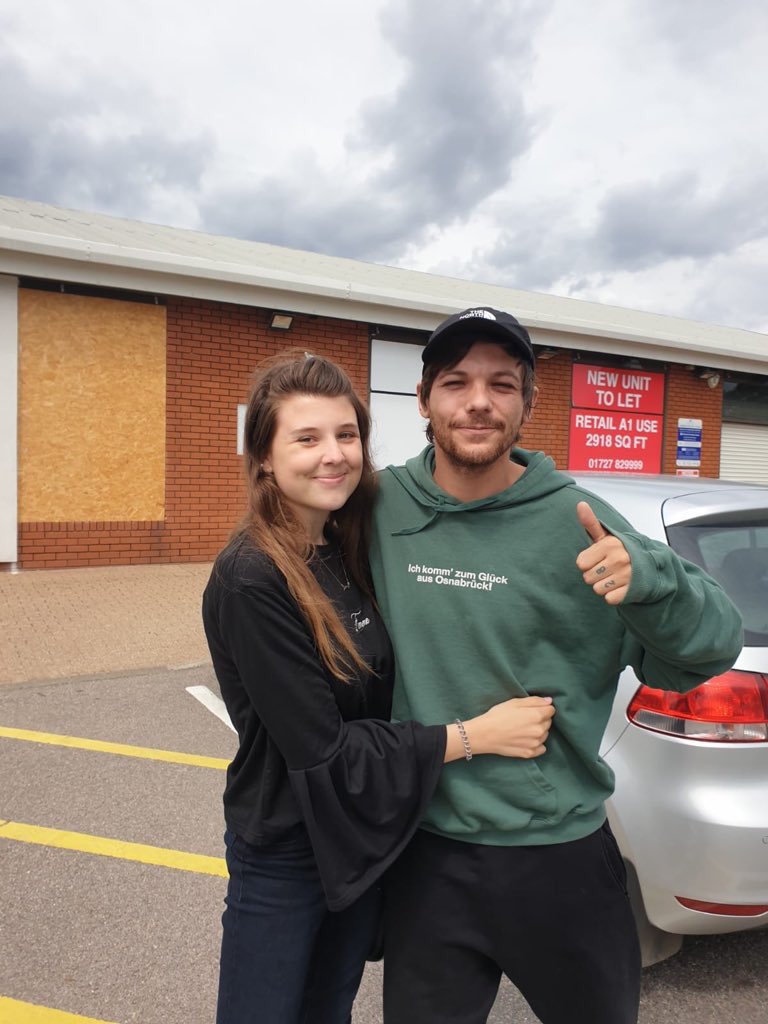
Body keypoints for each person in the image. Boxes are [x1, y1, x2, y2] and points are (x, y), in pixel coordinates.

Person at [368, 307, 744, 1024]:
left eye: (502, 384)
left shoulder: (579, 518)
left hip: (559, 856)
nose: (478, 400)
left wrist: (653, 581)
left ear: (528, 404)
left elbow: (708, 650)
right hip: (427, 854)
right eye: (456, 381)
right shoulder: (380, 509)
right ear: (423, 399)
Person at [201, 351, 556, 1024]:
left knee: (329, 1010)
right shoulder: (252, 578)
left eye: (346, 435)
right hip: (286, 850)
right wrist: (475, 737)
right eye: (306, 439)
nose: (333, 455)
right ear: (266, 458)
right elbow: (326, 754)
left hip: (359, 840)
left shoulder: (346, 546)